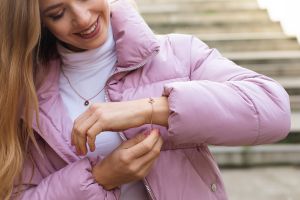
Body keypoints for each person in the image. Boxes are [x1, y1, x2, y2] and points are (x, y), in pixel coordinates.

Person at [0, 0, 291, 199]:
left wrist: (150, 109)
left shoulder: (178, 54)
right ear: (39, 23)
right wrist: (100, 178)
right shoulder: (25, 98)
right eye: (57, 12)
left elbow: (273, 109)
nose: (83, 18)